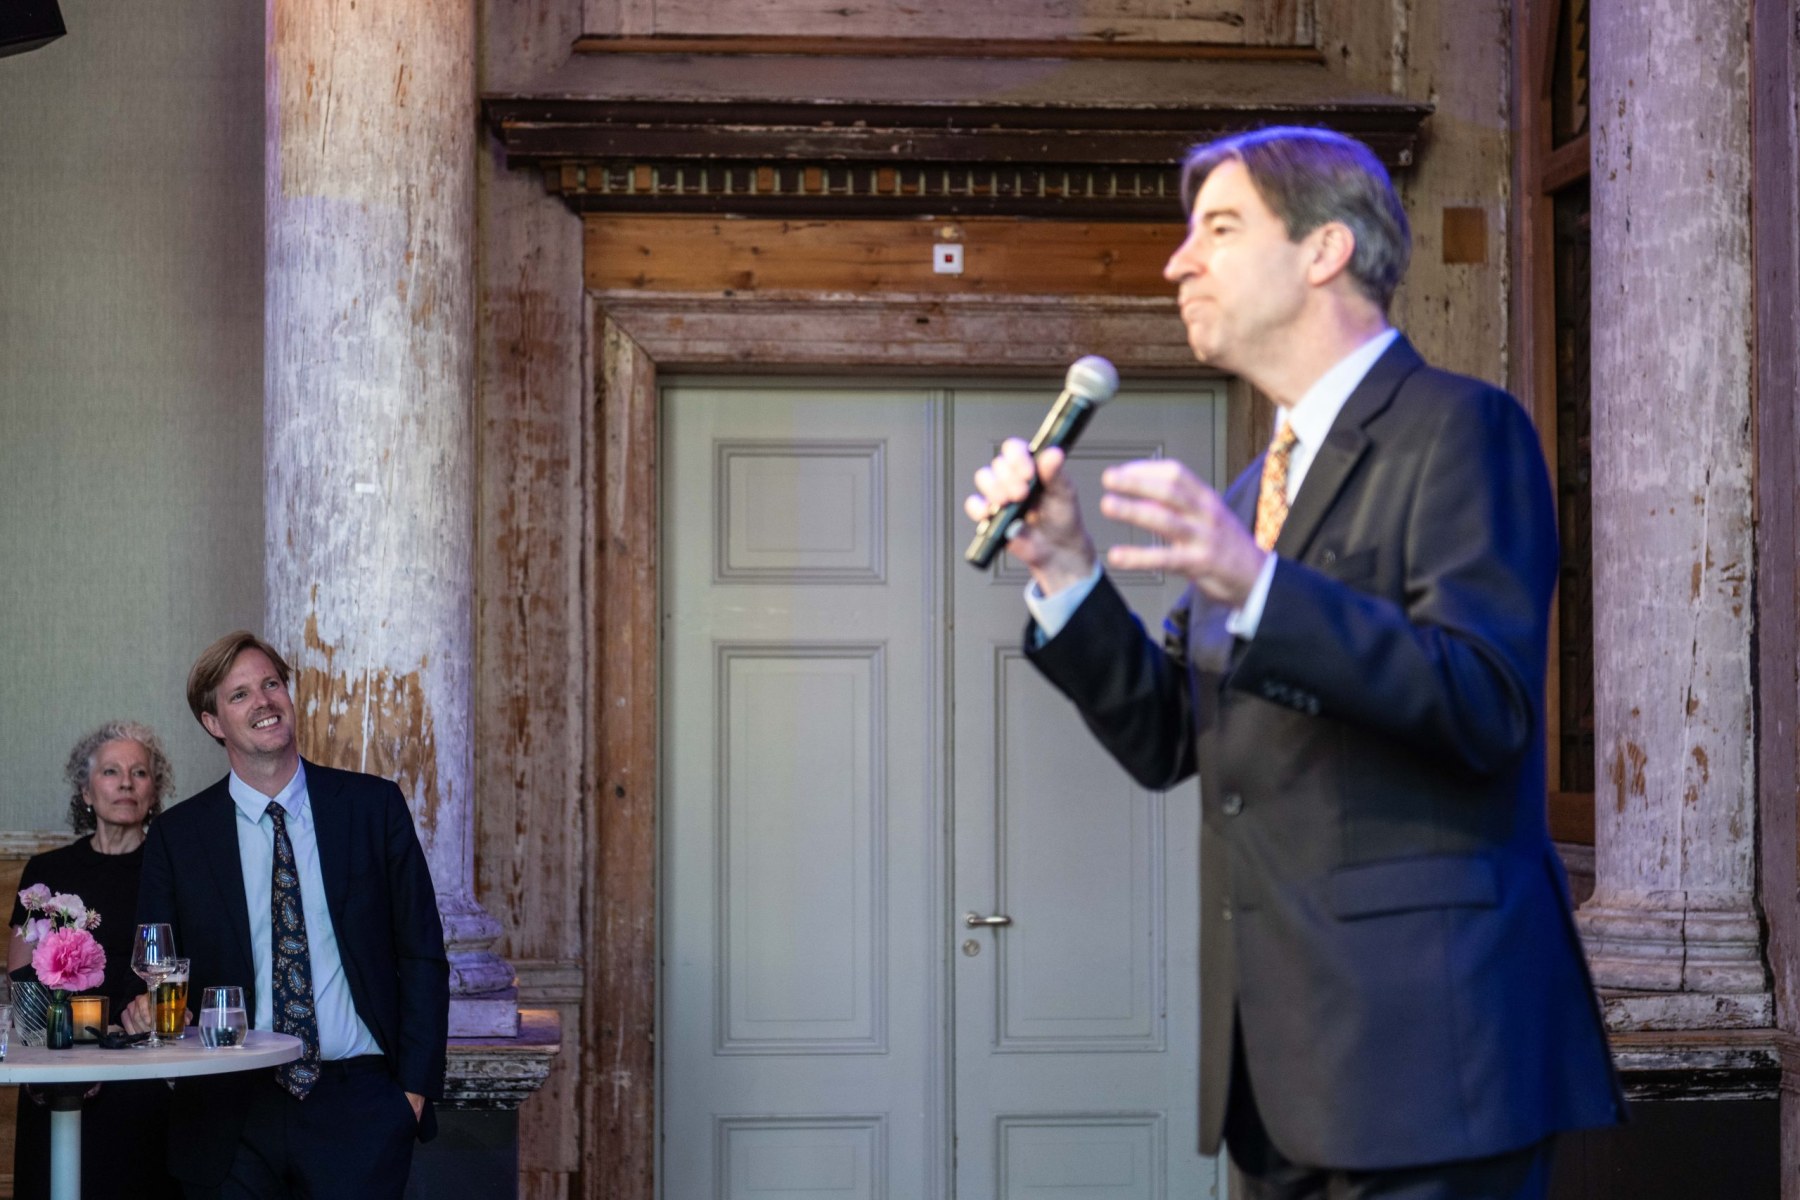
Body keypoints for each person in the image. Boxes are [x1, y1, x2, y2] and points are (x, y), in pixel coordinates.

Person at [965, 126, 1622, 1199]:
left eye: (1219, 229)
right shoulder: (1248, 494)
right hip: (1275, 1076)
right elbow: (1169, 740)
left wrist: (1258, 585)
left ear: (1325, 249)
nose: (1178, 262)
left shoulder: (1464, 430)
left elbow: (1487, 705)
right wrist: (1069, 571)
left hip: (1430, 1063)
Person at [122, 631, 449, 1199]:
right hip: (229, 1111)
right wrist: (150, 1012)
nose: (264, 702)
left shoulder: (373, 808)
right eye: (240, 694)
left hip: (360, 1108)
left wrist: (411, 1096)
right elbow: (159, 963)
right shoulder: (179, 836)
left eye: (271, 684)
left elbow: (421, 953)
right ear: (213, 722)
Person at [7, 721, 181, 1200]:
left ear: (153, 792)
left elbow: (180, 969)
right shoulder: (46, 870)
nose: (126, 783)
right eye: (111, 771)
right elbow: (21, 982)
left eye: (139, 772)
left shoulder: (171, 869)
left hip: (141, 1066)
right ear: (86, 791)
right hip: (59, 1067)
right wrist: (58, 1060)